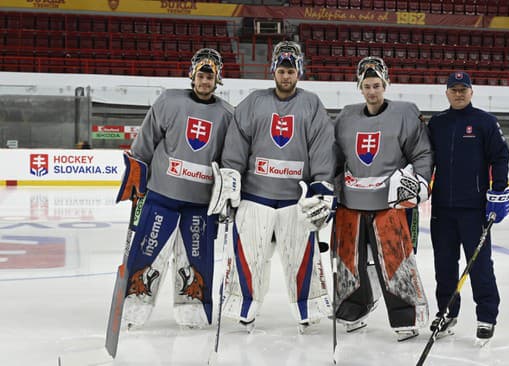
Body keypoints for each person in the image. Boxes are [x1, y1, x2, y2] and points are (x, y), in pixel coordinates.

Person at [208, 41, 336, 333]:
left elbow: (321, 147)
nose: (286, 76)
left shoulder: (312, 104)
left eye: (291, 71)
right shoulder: (254, 102)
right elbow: (237, 144)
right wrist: (231, 180)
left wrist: (321, 185)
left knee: (300, 258)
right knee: (248, 256)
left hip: (296, 200)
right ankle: (244, 308)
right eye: (281, 70)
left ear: (299, 72)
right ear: (273, 72)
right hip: (255, 196)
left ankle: (308, 308)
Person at [116, 48, 234, 328]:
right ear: (192, 74)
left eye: (211, 76)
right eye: (202, 75)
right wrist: (136, 173)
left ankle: (192, 310)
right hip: (161, 196)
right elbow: (145, 142)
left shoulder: (228, 114)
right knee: (148, 250)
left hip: (199, 202)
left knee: (196, 257)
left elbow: (230, 157)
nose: (205, 81)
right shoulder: (169, 101)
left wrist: (229, 189)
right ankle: (133, 307)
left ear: (218, 80)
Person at [331, 56, 433, 341]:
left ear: (385, 85)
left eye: (376, 85)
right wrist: (329, 187)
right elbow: (335, 158)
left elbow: (422, 153)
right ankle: (353, 308)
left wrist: (420, 181)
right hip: (351, 204)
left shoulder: (405, 114)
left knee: (395, 261)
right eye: (366, 86)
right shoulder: (346, 117)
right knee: (349, 262)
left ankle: (406, 315)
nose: (372, 91)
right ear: (359, 88)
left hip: (388, 207)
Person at [427, 71, 509, 345]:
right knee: (444, 267)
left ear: (471, 92)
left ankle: (486, 316)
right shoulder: (437, 124)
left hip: (474, 210)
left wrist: (498, 191)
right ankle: (447, 312)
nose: (459, 93)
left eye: (464, 89)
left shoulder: (485, 122)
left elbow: (500, 156)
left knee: (480, 265)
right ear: (447, 92)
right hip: (442, 208)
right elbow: (424, 160)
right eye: (454, 89)